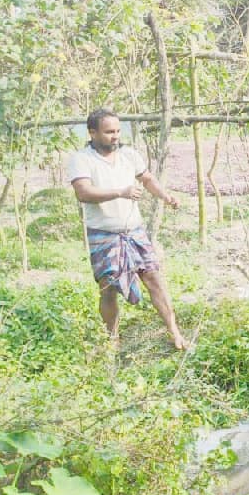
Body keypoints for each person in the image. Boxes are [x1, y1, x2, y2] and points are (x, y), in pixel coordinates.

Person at [67, 108, 188, 350]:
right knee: (109, 288)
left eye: (118, 131)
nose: (115, 136)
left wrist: (165, 196)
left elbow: (147, 179)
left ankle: (175, 332)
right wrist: (120, 192)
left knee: (154, 278)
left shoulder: (129, 156)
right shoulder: (82, 159)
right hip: (103, 233)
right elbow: (84, 193)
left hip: (134, 230)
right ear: (92, 133)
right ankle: (112, 340)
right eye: (109, 132)